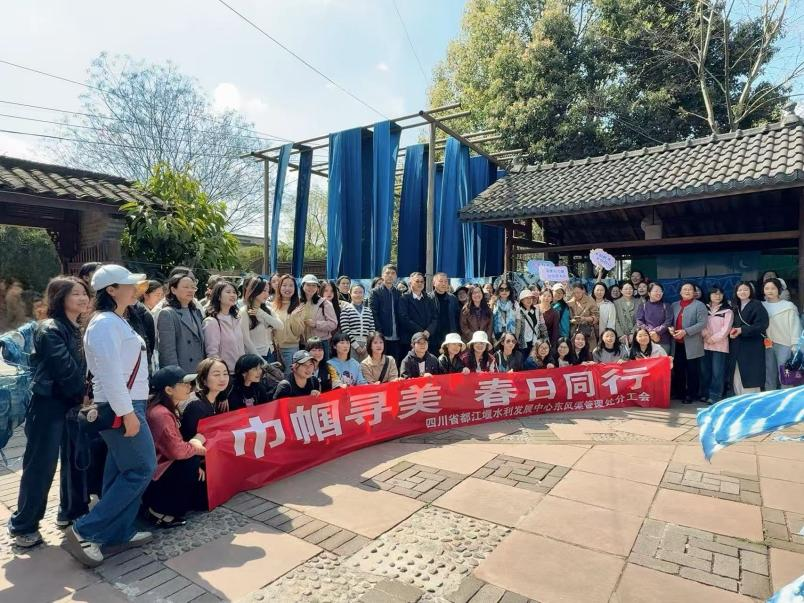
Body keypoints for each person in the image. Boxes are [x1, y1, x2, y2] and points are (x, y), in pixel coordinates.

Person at [63, 265, 156, 568]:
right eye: (128, 284)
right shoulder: (105, 323)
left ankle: (119, 530)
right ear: (111, 290)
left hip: (128, 403)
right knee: (142, 468)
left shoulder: (115, 320)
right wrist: (128, 413)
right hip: (121, 406)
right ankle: (85, 530)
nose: (134, 289)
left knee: (120, 471)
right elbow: (111, 375)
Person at [9, 277, 91, 547]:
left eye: (84, 293)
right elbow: (65, 371)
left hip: (72, 403)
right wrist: (84, 394)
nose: (82, 298)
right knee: (40, 466)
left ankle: (71, 513)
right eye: (75, 293)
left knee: (74, 460)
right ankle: (24, 525)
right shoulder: (50, 328)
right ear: (59, 297)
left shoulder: (77, 326)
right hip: (49, 405)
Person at [143, 366, 206, 527]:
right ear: (169, 390)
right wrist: (196, 446)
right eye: (184, 384)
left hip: (157, 469)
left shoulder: (162, 409)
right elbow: (176, 451)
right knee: (190, 462)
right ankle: (160, 512)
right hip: (158, 473)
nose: (189, 386)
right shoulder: (161, 414)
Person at [157, 273, 205, 373]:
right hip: (182, 373)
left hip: (199, 371)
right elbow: (167, 352)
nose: (190, 290)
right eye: (186, 287)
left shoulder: (196, 312)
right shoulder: (168, 313)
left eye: (193, 287)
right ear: (173, 290)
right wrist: (175, 376)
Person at [670, 282, 709, 403]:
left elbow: (702, 323)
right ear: (680, 292)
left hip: (692, 343)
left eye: (690, 289)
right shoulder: (674, 305)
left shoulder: (699, 305)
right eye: (684, 289)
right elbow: (670, 320)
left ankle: (691, 394)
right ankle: (680, 392)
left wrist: (686, 331)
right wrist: (671, 328)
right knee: (679, 369)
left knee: (692, 370)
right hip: (677, 343)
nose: (687, 291)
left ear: (694, 292)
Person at [763, 278, 801, 390]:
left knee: (785, 374)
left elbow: (795, 326)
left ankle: (786, 396)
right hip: (767, 344)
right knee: (769, 372)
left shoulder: (788, 306)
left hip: (785, 344)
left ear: (779, 290)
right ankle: (770, 395)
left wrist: (795, 344)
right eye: (767, 288)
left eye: (773, 288)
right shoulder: (761, 305)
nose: (770, 291)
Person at [203, 281, 246, 374]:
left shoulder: (236, 319)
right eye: (228, 292)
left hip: (240, 372)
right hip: (225, 374)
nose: (233, 295)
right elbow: (212, 354)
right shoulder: (212, 322)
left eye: (234, 292)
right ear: (218, 296)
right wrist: (221, 373)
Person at [180, 357, 230, 439]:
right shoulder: (195, 405)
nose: (222, 379)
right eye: (216, 374)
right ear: (203, 380)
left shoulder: (218, 399)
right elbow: (188, 439)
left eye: (225, 374)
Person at [240, 275, 284, 364]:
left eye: (268, 291)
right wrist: (261, 360)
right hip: (254, 357)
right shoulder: (244, 311)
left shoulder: (268, 309)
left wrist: (261, 313)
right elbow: (246, 340)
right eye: (264, 291)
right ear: (254, 290)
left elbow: (280, 326)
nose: (267, 294)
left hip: (270, 353)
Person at [701, 286, 733, 404]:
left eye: (720, 294)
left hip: (720, 346)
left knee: (717, 372)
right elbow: (701, 324)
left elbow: (726, 330)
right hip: (705, 344)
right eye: (714, 293)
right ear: (709, 295)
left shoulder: (727, 311)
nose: (717, 296)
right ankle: (705, 394)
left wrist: (713, 339)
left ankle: (715, 396)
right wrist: (706, 336)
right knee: (705, 371)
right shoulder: (704, 309)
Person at [370, 264, 403, 365]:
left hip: (397, 336)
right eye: (387, 273)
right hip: (382, 336)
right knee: (380, 364)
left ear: (396, 276)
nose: (390, 275)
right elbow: (373, 313)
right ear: (382, 275)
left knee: (394, 364)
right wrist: (379, 333)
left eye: (393, 273)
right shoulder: (375, 292)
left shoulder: (399, 293)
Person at [298, 274, 338, 357]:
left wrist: (316, 324)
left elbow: (333, 324)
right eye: (308, 285)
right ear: (302, 286)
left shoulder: (325, 303)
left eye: (314, 285)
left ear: (317, 288)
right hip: (302, 343)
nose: (311, 288)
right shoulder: (297, 302)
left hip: (321, 343)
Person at [273, 274, 306, 373]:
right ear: (279, 287)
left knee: (288, 377)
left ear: (295, 288)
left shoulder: (299, 307)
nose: (287, 288)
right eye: (284, 285)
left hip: (290, 349)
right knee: (274, 378)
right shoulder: (272, 305)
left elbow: (298, 332)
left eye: (291, 285)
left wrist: (293, 317)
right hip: (274, 349)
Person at [399, 272, 438, 349]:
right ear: (410, 283)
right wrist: (422, 333)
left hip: (428, 339)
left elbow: (435, 317)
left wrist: (428, 331)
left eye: (422, 281)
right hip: (410, 340)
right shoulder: (404, 298)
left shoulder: (429, 298)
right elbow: (404, 318)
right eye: (417, 281)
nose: (420, 283)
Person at [340, 283, 376, 361]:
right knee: (352, 366)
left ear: (364, 294)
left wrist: (366, 345)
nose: (358, 295)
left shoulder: (368, 311)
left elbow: (372, 330)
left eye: (360, 292)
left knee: (365, 367)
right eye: (355, 292)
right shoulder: (346, 310)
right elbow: (345, 329)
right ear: (350, 293)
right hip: (351, 345)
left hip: (366, 346)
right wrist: (356, 346)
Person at [636, 282, 673, 353]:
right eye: (656, 291)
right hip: (647, 341)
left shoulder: (666, 306)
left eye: (661, 291)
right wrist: (650, 332)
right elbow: (639, 321)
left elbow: (668, 322)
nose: (659, 293)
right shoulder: (643, 306)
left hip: (663, 341)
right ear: (649, 293)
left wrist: (656, 332)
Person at [429, 272, 461, 354]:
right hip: (433, 338)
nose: (444, 284)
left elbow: (457, 318)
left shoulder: (453, 298)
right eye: (441, 281)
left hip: (450, 337)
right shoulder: (428, 298)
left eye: (446, 281)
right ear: (434, 283)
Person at [517, 289, 547, 356]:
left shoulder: (537, 310)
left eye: (530, 298)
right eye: (526, 298)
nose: (529, 300)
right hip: (523, 343)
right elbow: (517, 329)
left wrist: (546, 338)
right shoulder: (518, 312)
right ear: (521, 300)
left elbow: (542, 325)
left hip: (534, 341)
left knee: (534, 360)